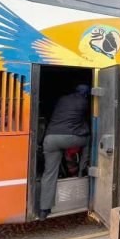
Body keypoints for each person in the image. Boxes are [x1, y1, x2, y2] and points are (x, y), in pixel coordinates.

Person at [40, 85, 90, 221]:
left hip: (50, 139)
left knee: (49, 173)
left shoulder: (62, 99)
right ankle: (82, 170)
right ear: (86, 94)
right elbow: (85, 120)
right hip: (67, 138)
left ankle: (44, 209)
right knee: (88, 139)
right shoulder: (84, 101)